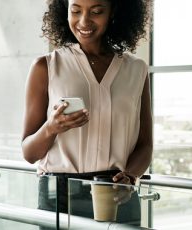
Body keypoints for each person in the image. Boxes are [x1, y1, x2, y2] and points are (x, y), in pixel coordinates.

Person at [22, 0, 152, 227]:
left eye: (96, 11)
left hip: (118, 193)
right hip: (59, 196)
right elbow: (29, 152)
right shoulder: (46, 67)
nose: (84, 21)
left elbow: (145, 145)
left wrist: (130, 177)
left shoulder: (136, 69)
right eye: (75, 10)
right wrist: (51, 128)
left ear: (114, 12)